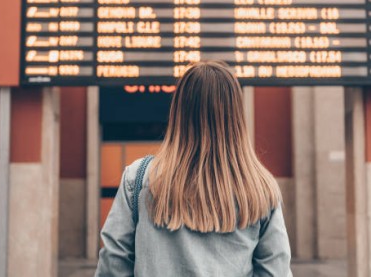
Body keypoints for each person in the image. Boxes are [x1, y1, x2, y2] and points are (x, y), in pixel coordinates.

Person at [95, 61, 293, 277]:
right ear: (236, 115)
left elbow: (112, 266)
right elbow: (276, 271)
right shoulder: (260, 188)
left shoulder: (139, 178)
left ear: (178, 110)